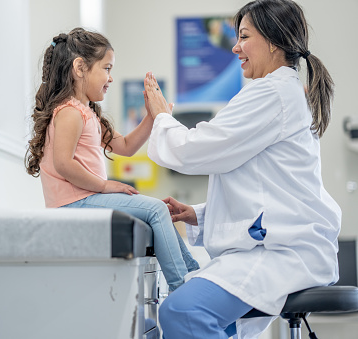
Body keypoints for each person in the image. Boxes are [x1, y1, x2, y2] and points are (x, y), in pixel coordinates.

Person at [143, 0, 341, 338]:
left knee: (182, 311)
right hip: (282, 246)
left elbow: (194, 150)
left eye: (245, 36)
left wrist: (162, 116)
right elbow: (267, 189)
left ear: (274, 41)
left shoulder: (272, 93)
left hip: (284, 252)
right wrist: (199, 215)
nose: (235, 47)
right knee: (196, 316)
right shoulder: (280, 93)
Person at [25, 27, 199, 292]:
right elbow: (63, 163)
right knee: (156, 209)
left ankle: (194, 279)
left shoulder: (87, 113)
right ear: (80, 67)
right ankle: (183, 288)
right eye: (106, 69)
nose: (111, 78)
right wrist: (106, 185)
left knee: (157, 210)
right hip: (73, 204)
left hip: (85, 200)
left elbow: (126, 146)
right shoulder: (69, 113)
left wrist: (154, 117)